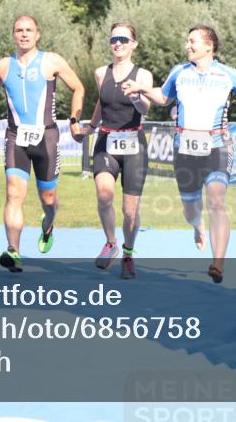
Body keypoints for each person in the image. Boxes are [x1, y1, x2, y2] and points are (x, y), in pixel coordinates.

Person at [123, 25, 236, 284]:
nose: (187, 46)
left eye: (192, 41)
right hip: (185, 148)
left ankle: (218, 263)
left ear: (208, 46)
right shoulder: (179, 72)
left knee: (216, 200)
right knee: (190, 209)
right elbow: (162, 98)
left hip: (217, 145)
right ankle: (197, 226)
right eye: (187, 41)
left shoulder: (228, 75)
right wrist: (142, 89)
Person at [0, 15, 85, 272]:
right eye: (19, 30)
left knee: (48, 198)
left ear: (37, 34)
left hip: (46, 137)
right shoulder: (3, 66)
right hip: (16, 137)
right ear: (13, 35)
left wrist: (74, 118)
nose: (24, 34)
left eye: (29, 30)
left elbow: (79, 88)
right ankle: (13, 251)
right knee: (13, 192)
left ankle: (48, 223)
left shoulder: (52, 61)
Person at [78, 23, 152, 279]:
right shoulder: (101, 73)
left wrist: (135, 95)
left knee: (130, 212)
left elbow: (145, 109)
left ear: (134, 43)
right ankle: (111, 243)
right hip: (106, 141)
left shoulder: (143, 75)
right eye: (113, 39)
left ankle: (128, 253)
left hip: (134, 145)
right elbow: (101, 102)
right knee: (104, 195)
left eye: (123, 39)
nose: (117, 43)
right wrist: (90, 127)